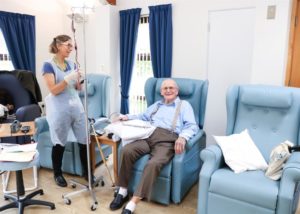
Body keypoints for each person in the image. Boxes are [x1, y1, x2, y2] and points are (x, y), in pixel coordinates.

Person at [109, 79, 199, 214]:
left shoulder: (184, 105)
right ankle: (123, 190)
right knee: (127, 150)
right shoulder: (157, 105)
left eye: (171, 88)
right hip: (148, 134)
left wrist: (183, 137)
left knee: (154, 163)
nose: (168, 90)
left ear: (177, 91)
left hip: (168, 140)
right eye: (165, 88)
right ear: (161, 92)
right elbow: (142, 116)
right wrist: (126, 117)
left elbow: (192, 126)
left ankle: (133, 202)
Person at [42, 35, 91, 187]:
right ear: (58, 46)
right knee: (59, 142)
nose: (71, 48)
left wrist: (79, 81)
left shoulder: (71, 63)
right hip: (59, 109)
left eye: (72, 46)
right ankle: (57, 174)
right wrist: (67, 79)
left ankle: (87, 173)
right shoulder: (48, 65)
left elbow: (77, 88)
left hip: (76, 107)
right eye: (68, 45)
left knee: (84, 140)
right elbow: (53, 90)